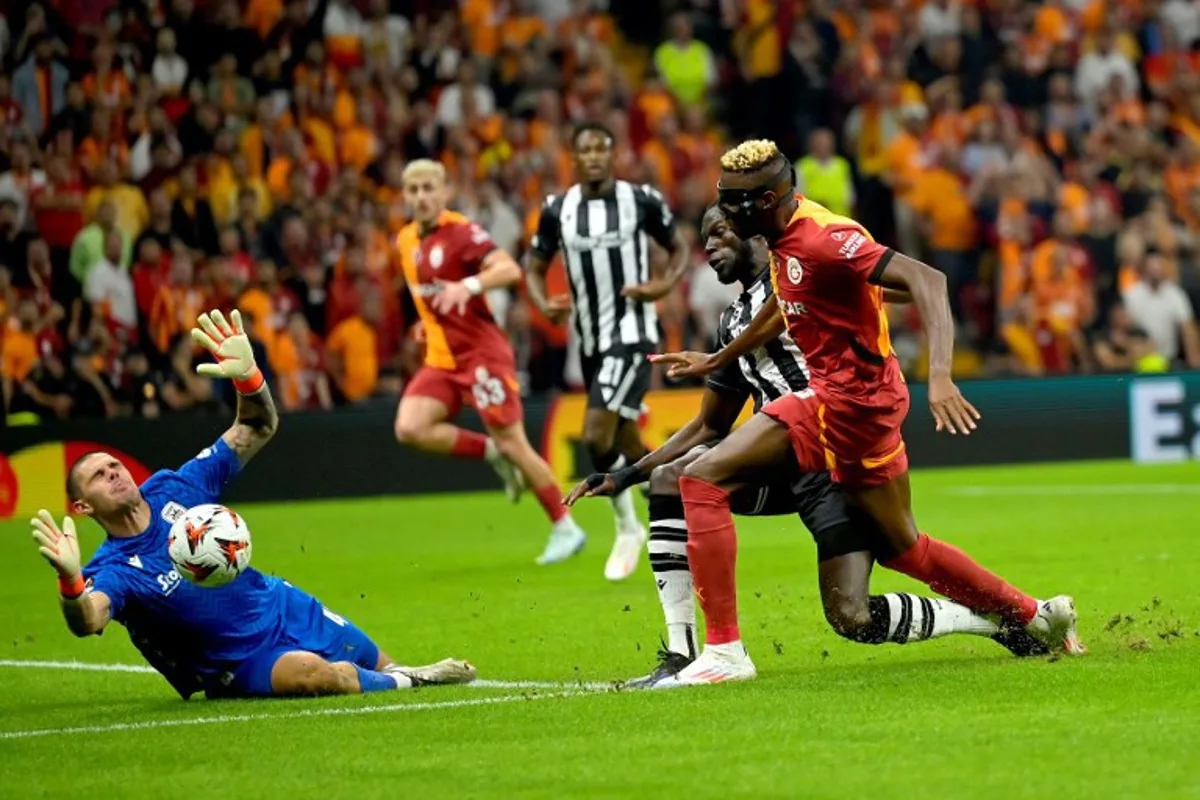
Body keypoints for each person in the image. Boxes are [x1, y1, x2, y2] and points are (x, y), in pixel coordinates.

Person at [653, 140, 1083, 685]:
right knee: (905, 549)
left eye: (732, 202)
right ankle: (1034, 614)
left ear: (763, 201)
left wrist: (943, 375)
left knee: (701, 478)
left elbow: (929, 280)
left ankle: (724, 653)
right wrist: (721, 357)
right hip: (842, 403)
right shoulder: (787, 236)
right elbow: (785, 305)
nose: (725, 212)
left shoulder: (826, 238)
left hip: (852, 407)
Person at [568, 207, 1048, 687]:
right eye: (704, 240)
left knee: (853, 616)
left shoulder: (809, 276)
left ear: (755, 233)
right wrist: (627, 474)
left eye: (718, 233)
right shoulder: (732, 322)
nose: (709, 247)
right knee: (675, 479)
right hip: (776, 459)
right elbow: (708, 426)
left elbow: (898, 283)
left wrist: (882, 294)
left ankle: (986, 620)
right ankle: (683, 653)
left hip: (831, 457)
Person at [30, 308, 476, 699]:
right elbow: (87, 619)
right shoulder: (114, 569)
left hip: (280, 605)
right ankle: (419, 679)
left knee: (377, 667)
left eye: (113, 466)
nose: (112, 473)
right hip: (238, 662)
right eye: (97, 476)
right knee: (316, 677)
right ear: (83, 507)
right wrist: (70, 581)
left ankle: (402, 677)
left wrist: (249, 378)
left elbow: (256, 428)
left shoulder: (173, 489)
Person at [392, 160, 588, 564]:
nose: (421, 197)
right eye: (413, 190)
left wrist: (468, 286)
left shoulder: (461, 233)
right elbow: (430, 297)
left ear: (444, 192)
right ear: (404, 195)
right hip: (442, 359)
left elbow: (509, 269)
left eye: (429, 188)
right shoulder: (405, 241)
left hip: (481, 355)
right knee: (410, 427)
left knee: (514, 441)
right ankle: (490, 453)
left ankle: (565, 527)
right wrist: (426, 324)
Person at [525, 122, 691, 580]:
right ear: (574, 159)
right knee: (626, 441)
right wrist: (543, 303)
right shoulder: (558, 209)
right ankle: (682, 486)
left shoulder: (640, 200)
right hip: (591, 338)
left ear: (613, 154)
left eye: (602, 148)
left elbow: (678, 248)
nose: (595, 156)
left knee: (596, 436)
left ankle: (628, 528)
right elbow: (534, 265)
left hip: (633, 331)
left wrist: (663, 284)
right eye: (586, 149)